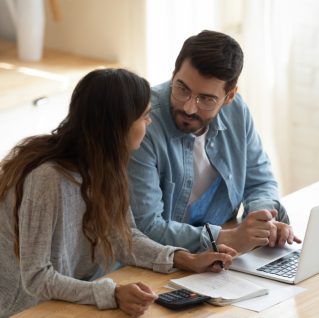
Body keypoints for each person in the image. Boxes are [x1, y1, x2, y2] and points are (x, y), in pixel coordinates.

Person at [0, 68, 236, 318]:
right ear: (119, 124)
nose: (150, 122)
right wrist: (111, 294)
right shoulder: (47, 178)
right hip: (23, 309)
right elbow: (36, 278)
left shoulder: (108, 165)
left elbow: (123, 238)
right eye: (144, 116)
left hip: (66, 301)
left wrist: (185, 259)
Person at [128, 30, 302, 254]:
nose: (189, 107)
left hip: (221, 256)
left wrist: (261, 221)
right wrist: (227, 238)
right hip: (163, 260)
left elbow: (259, 182)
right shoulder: (143, 123)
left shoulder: (237, 111)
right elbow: (146, 227)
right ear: (173, 75)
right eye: (182, 89)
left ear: (229, 97)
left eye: (206, 99)